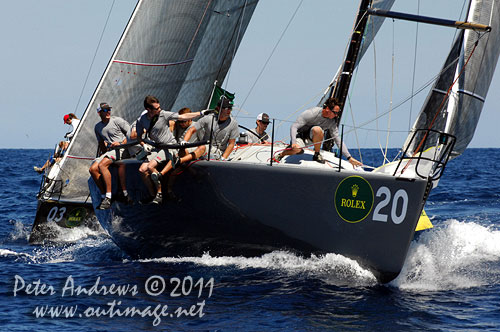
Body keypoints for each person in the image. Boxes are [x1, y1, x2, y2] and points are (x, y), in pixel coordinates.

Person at [136, 96, 213, 205]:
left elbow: (183, 116)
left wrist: (200, 113)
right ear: (148, 110)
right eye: (156, 109)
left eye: (159, 107)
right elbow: (139, 136)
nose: (159, 110)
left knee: (150, 167)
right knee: (142, 170)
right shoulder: (141, 120)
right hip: (156, 147)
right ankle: (153, 195)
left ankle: (159, 194)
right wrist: (143, 145)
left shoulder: (163, 114)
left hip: (169, 146)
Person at [277, 97, 362, 166]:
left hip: (312, 138)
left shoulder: (332, 122)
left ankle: (317, 154)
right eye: (335, 113)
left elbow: (338, 140)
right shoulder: (312, 113)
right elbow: (294, 127)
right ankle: (281, 155)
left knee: (318, 129)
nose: (336, 115)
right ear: (328, 109)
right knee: (297, 150)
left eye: (337, 113)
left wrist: (349, 158)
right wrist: (294, 143)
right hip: (301, 137)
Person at [89, 103, 131, 209]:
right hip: (110, 152)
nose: (108, 112)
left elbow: (131, 134)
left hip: (122, 149)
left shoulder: (117, 121)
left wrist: (121, 143)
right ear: (99, 113)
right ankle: (104, 195)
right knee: (93, 169)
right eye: (105, 110)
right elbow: (101, 143)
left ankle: (108, 196)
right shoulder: (97, 127)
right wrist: (103, 154)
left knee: (102, 165)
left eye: (109, 109)